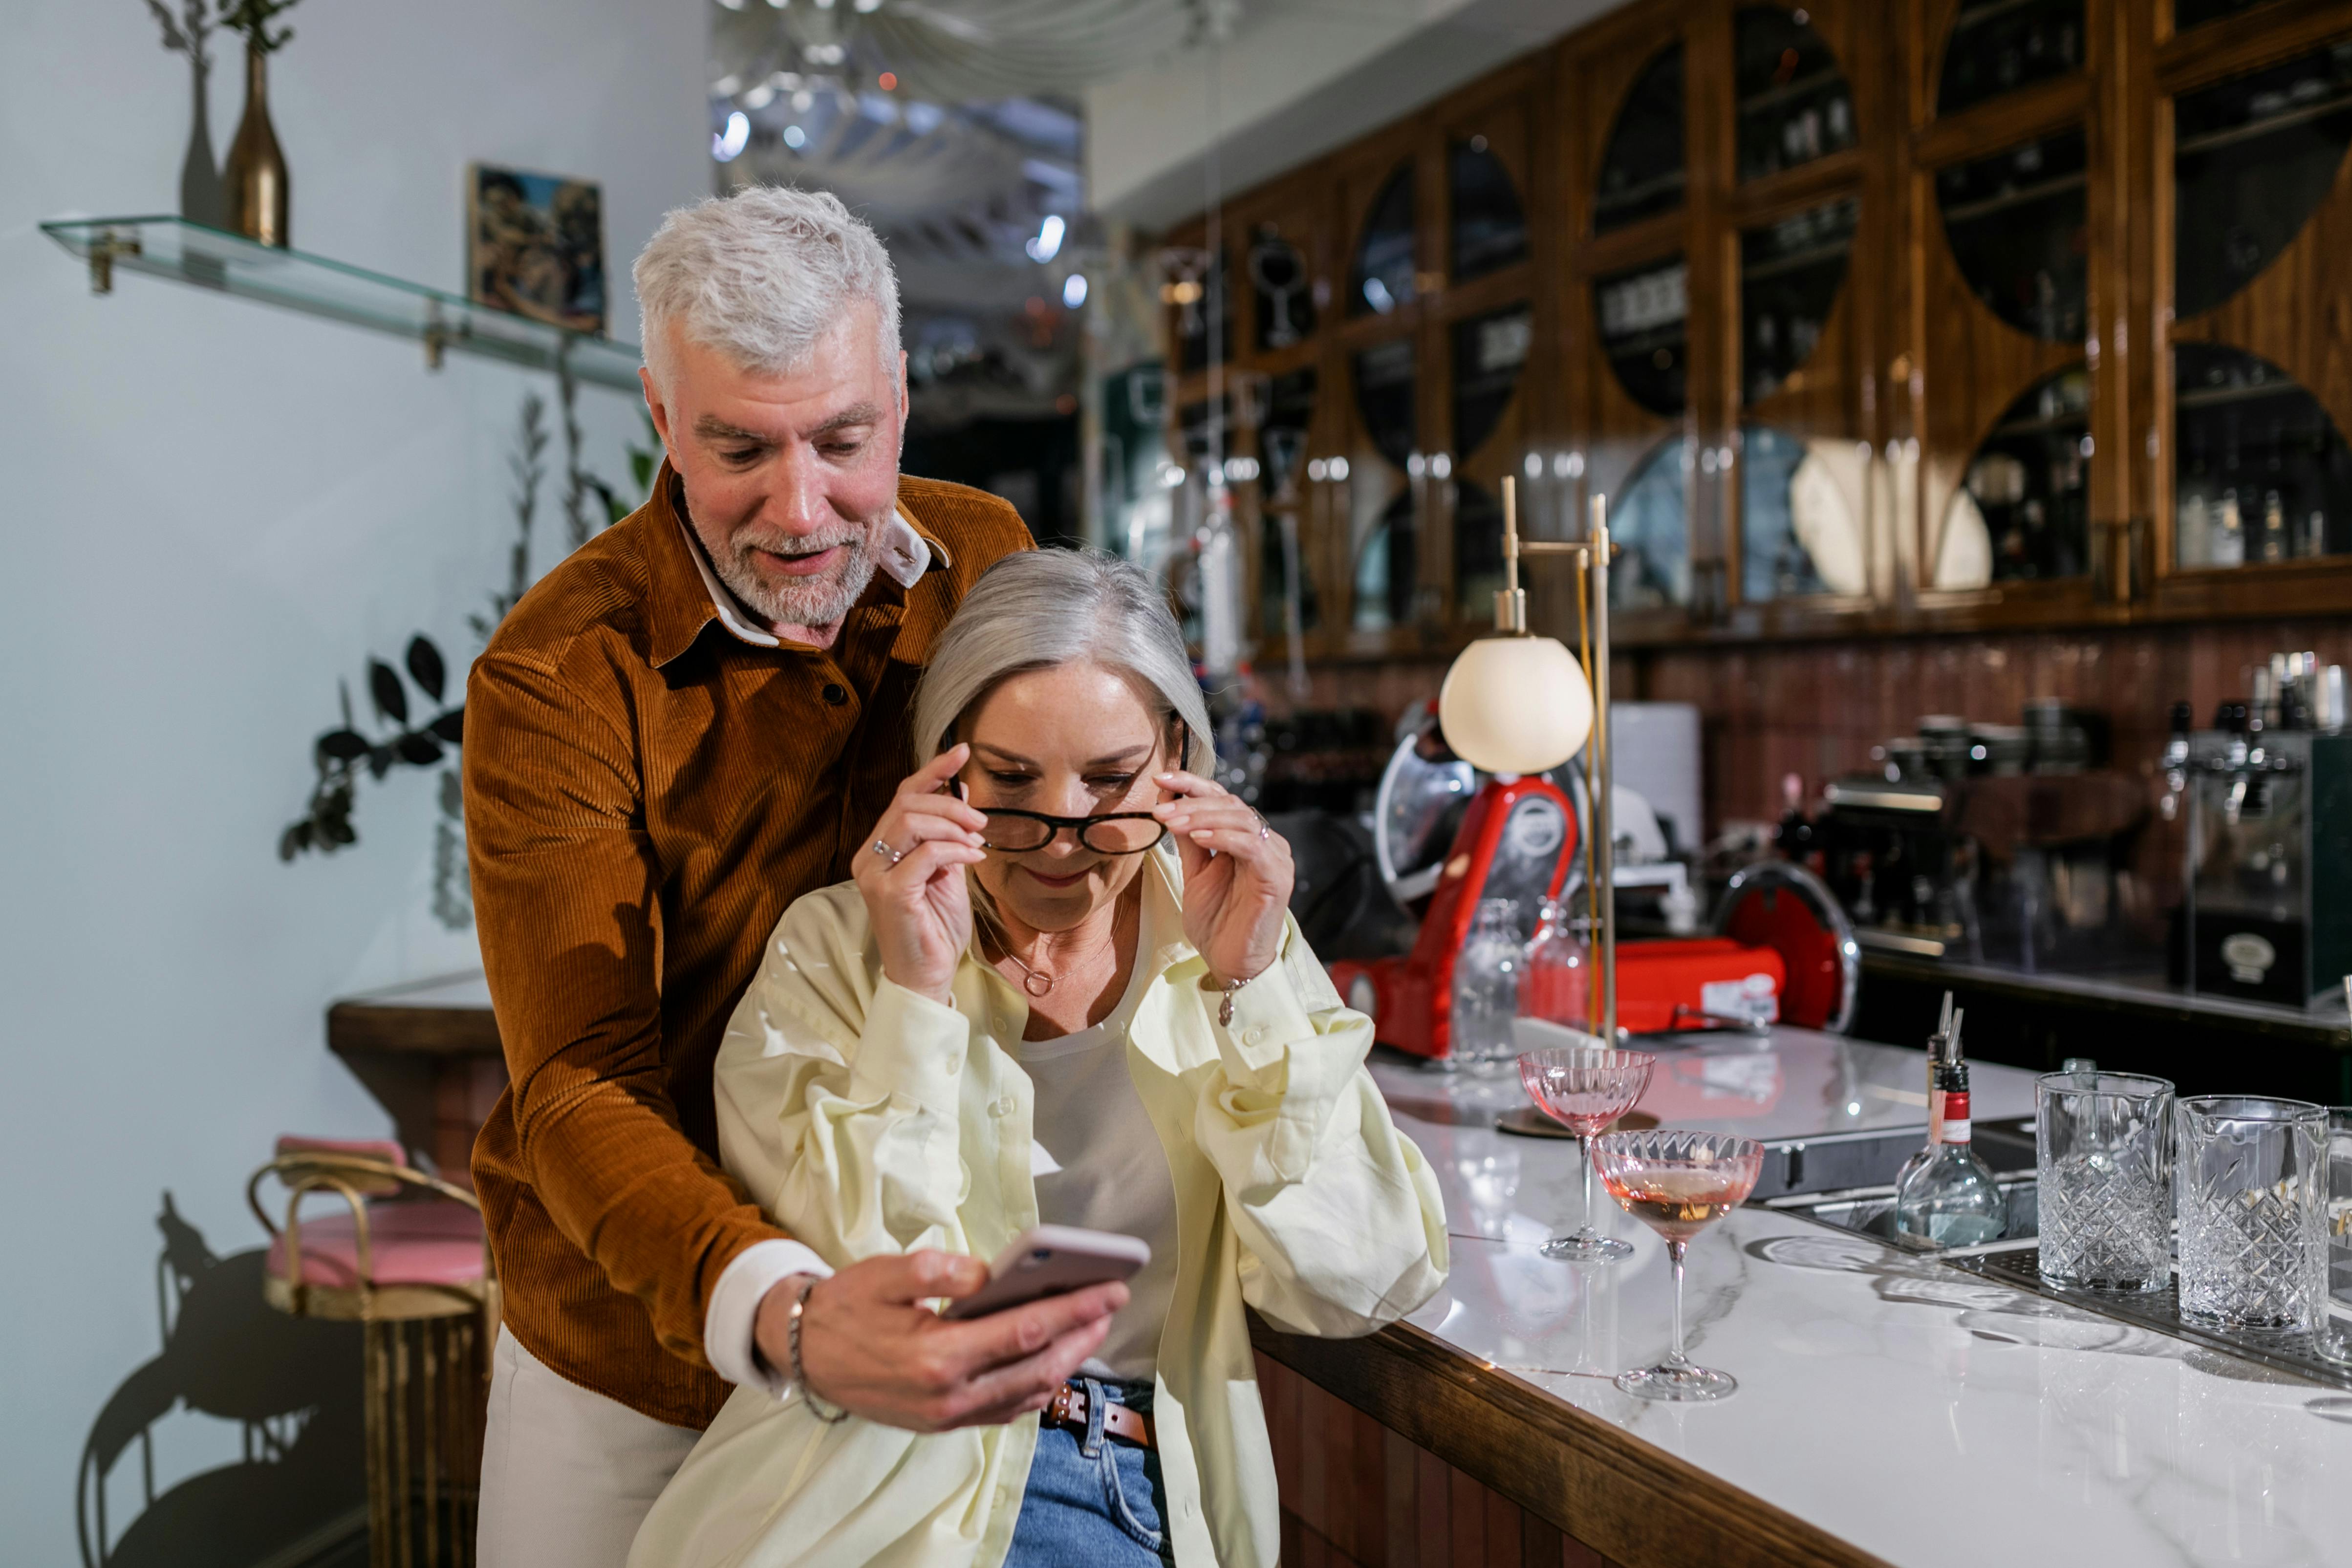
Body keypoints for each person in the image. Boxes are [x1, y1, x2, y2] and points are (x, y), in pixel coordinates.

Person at [464, 187, 1113, 1568]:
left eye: (841, 439)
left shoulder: (985, 560)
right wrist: (788, 1310)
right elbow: (576, 1081)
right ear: (660, 420)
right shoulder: (558, 672)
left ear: (896, 400)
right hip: (637, 1349)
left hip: (920, 1295)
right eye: (739, 448)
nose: (801, 507)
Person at [629, 550, 1448, 1568]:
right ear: (943, 766)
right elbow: (863, 1293)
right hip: (875, 1486)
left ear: (1179, 761)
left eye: (1110, 784)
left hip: (1122, 1477)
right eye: (1010, 783)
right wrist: (916, 997)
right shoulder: (835, 950)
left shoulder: (1231, 935)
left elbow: (1361, 1277)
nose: (1062, 841)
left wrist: (1253, 987)